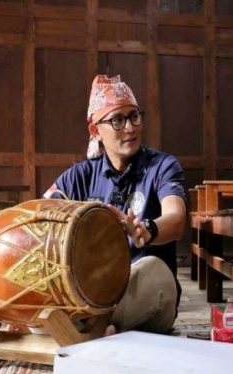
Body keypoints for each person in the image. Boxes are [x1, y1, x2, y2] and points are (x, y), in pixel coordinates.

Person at [44, 75, 187, 335]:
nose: (130, 128)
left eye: (134, 116)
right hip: (93, 291)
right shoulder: (78, 177)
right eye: (117, 120)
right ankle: (102, 329)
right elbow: (39, 217)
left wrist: (146, 230)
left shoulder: (163, 166)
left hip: (147, 291)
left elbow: (176, 219)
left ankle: (86, 328)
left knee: (155, 269)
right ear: (96, 130)